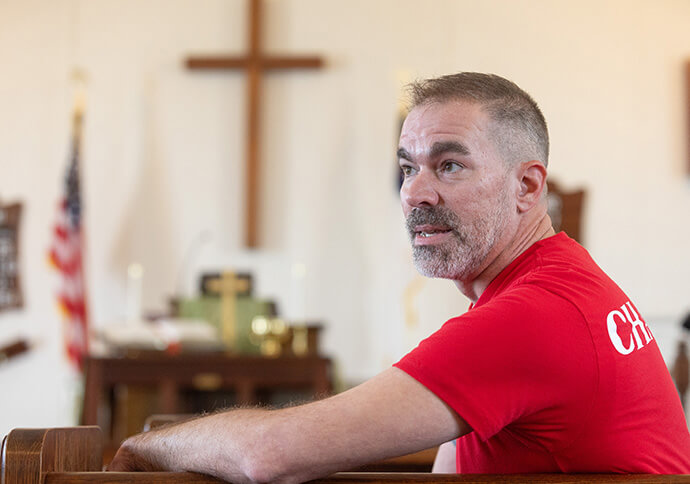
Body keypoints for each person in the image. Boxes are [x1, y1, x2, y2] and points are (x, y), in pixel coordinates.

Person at [109, 73, 690, 480]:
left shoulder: (533, 315)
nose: (414, 192)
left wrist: (143, 445)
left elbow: (271, 455)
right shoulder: (553, 281)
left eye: (450, 164)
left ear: (528, 187)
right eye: (408, 167)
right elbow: (451, 465)